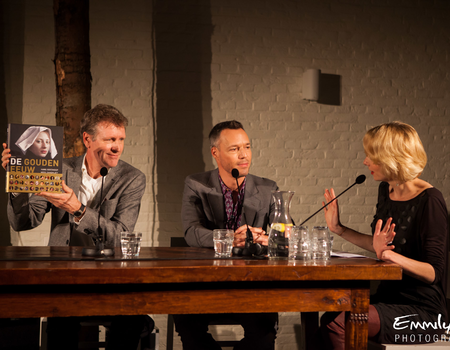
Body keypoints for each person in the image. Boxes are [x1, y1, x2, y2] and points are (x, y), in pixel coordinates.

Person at [2, 104, 150, 350]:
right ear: (87, 139)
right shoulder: (57, 168)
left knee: (131, 320)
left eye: (121, 139)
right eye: (110, 139)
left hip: (111, 277)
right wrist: (16, 181)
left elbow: (120, 236)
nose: (117, 146)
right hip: (64, 276)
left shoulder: (132, 178)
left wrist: (78, 209)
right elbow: (23, 222)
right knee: (60, 327)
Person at [318, 121, 448, 348]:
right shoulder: (386, 191)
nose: (365, 161)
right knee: (329, 316)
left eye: (371, 156)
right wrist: (338, 228)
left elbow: (433, 273)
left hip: (422, 311)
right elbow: (380, 245)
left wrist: (389, 257)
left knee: (340, 323)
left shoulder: (431, 200)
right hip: (388, 297)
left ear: (391, 157)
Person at [174, 120, 278, 350]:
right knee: (186, 322)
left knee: (264, 331)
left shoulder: (268, 188)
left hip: (251, 284)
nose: (244, 155)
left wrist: (263, 238)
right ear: (215, 153)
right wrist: (229, 239)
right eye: (234, 149)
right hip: (204, 283)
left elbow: (286, 236)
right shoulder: (196, 184)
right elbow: (191, 232)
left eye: (247, 147)